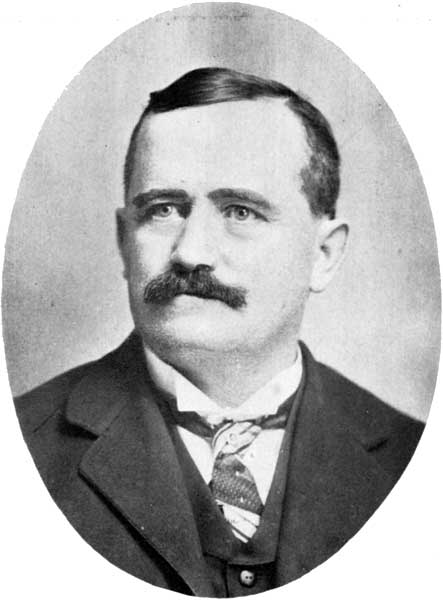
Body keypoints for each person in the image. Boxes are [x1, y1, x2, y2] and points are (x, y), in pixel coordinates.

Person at [14, 68, 424, 597]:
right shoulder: (20, 448)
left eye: (240, 212)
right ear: (123, 241)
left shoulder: (415, 461)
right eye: (163, 210)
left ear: (323, 255)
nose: (190, 252)